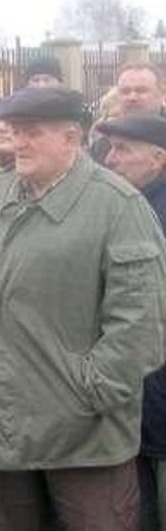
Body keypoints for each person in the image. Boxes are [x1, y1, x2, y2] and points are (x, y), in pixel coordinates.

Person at [0, 86, 166, 531]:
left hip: (86, 440)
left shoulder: (119, 206)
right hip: (4, 430)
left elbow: (142, 325)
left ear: (72, 138)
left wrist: (86, 391)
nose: (18, 142)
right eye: (13, 131)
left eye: (33, 133)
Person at [98, 114, 166, 531]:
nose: (110, 159)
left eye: (123, 149)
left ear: (158, 158)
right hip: (134, 397)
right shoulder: (122, 206)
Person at [91, 63, 166, 162]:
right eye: (125, 91)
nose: (132, 97)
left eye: (141, 91)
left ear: (163, 94)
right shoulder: (104, 144)